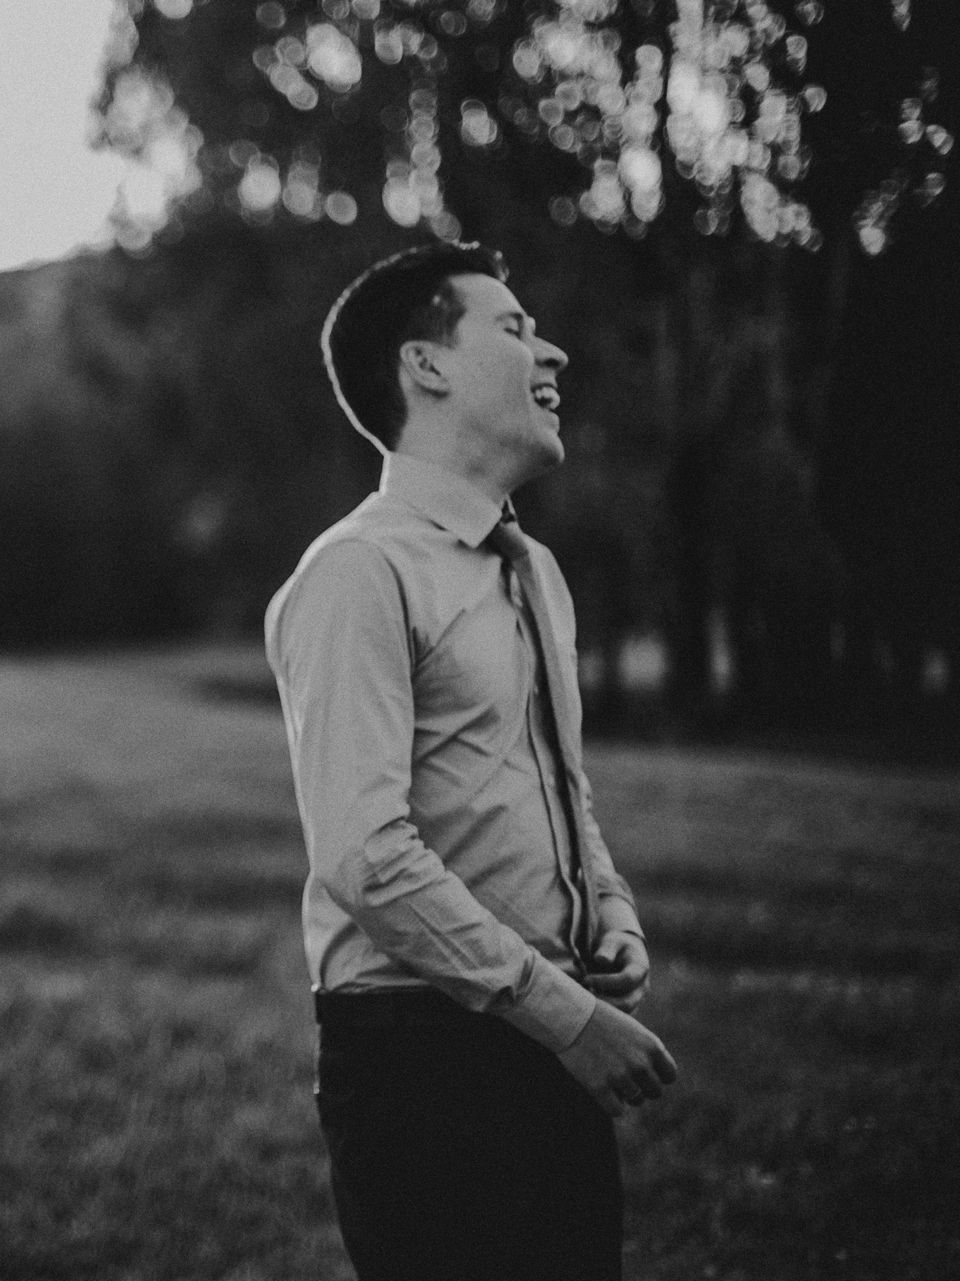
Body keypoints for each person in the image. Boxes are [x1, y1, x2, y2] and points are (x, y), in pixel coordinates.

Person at [264, 242, 679, 1281]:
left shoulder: (533, 568)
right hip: (422, 1059)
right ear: (427, 366)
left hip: (551, 1027)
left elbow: (557, 782)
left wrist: (610, 915)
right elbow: (363, 855)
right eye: (515, 327)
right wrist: (563, 1015)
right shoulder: (360, 572)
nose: (556, 353)